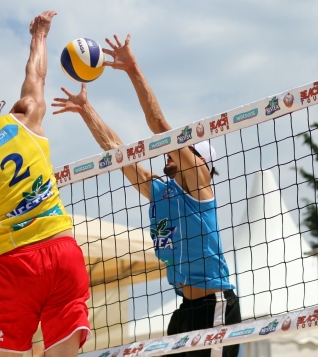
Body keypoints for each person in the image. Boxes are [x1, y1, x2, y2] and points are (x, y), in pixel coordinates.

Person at [52, 34, 240, 357]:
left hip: (215, 306)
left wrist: (132, 68)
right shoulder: (161, 193)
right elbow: (116, 151)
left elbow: (158, 124)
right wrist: (86, 110)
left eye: (183, 150)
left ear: (198, 161)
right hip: (185, 310)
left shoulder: (199, 183)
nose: (171, 152)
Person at [0, 11, 90, 357]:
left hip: (18, 267)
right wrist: (40, 34)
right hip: (63, 253)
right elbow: (36, 74)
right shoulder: (27, 115)